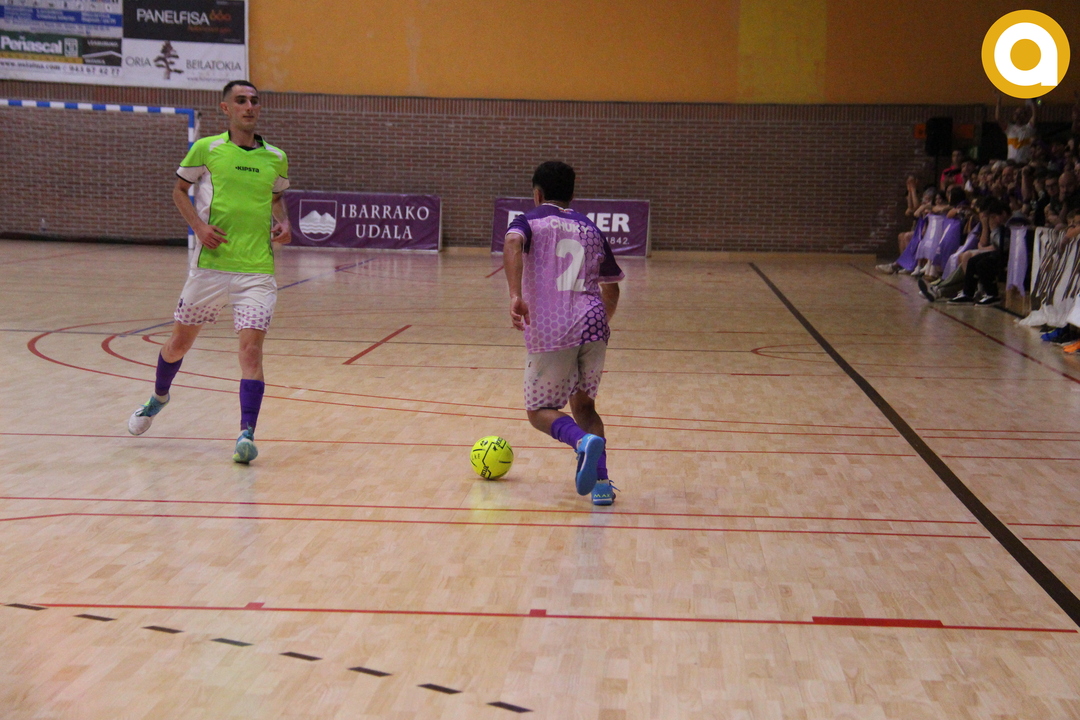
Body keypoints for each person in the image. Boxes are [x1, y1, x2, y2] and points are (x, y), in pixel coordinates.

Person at [126, 80, 292, 464]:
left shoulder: (276, 157)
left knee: (251, 351)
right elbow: (178, 191)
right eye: (241, 101)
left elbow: (276, 197)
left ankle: (246, 433)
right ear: (226, 108)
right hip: (210, 269)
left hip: (256, 270)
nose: (249, 106)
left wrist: (283, 221)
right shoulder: (207, 148)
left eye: (254, 101)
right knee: (178, 345)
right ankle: (159, 397)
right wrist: (199, 228)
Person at [503, 161, 624, 505]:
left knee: (539, 410)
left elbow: (512, 243)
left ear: (537, 194)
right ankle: (601, 485)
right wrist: (599, 325)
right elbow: (612, 288)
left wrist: (515, 295)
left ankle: (580, 442)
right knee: (585, 407)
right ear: (571, 194)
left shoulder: (527, 221)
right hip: (594, 323)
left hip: (553, 327)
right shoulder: (590, 227)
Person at [948, 197, 1011, 306]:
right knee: (973, 261)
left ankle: (992, 294)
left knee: (983, 263)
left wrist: (994, 230)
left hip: (1010, 256)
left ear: (1003, 214)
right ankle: (968, 294)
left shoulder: (1012, 223)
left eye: (994, 217)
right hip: (999, 253)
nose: (992, 220)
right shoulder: (1001, 225)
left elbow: (1003, 246)